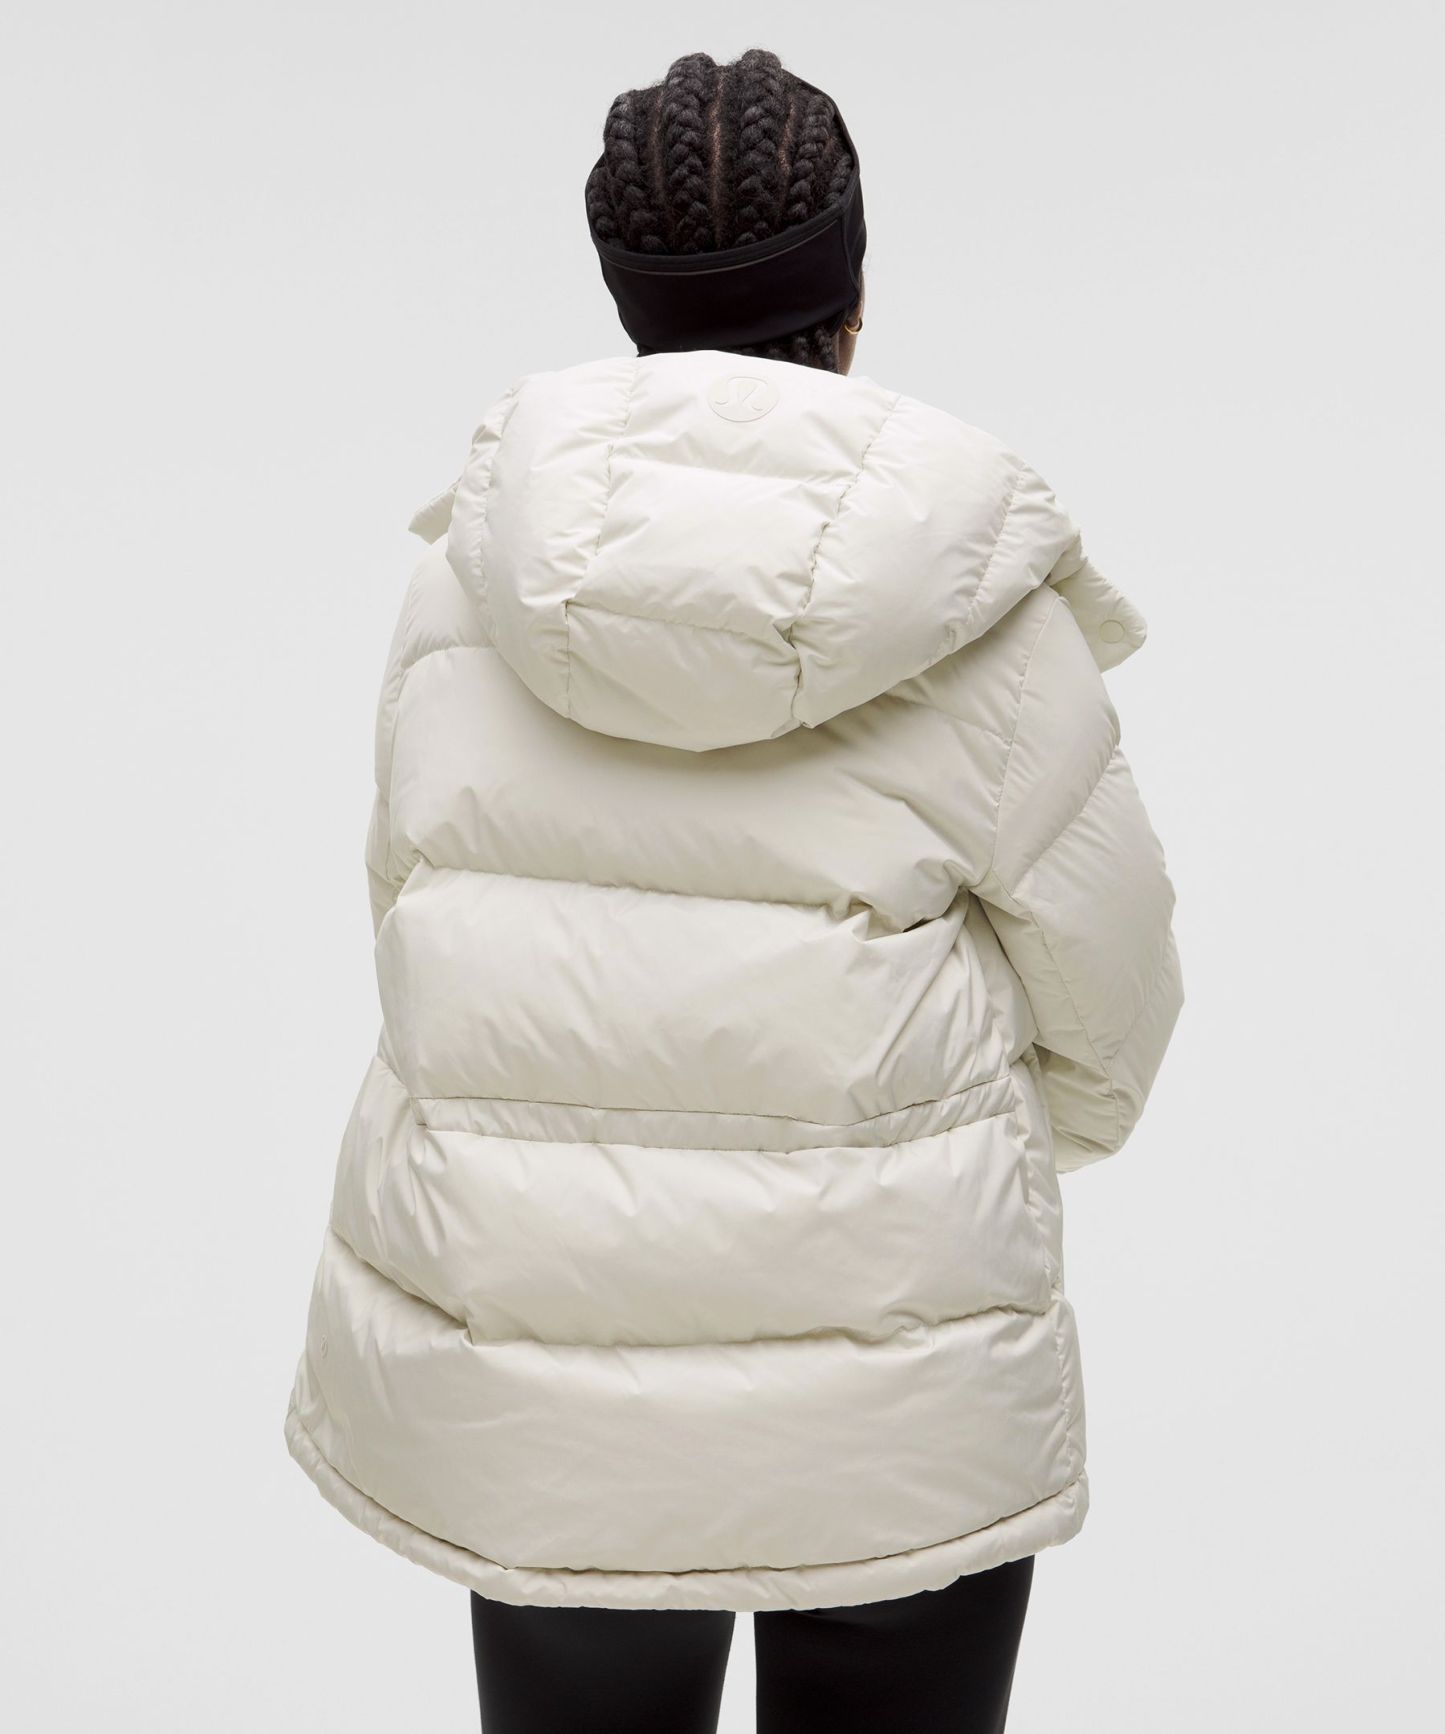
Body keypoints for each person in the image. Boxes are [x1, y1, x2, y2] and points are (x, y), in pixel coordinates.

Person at [284, 46, 1183, 1734]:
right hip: (899, 1384)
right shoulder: (978, 604)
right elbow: (1114, 999)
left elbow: (417, 939)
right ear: (852, 291)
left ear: (626, 297)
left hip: (542, 1388)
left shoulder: (463, 585)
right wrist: (918, 1154)